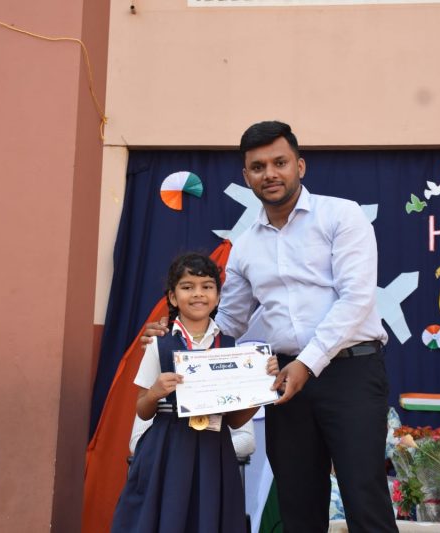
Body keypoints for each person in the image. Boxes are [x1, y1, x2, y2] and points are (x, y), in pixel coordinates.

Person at [143, 121, 397, 532]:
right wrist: (176, 335)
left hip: (350, 371)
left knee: (364, 499)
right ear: (247, 177)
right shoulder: (245, 245)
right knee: (297, 505)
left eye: (280, 162)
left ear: (300, 166)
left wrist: (307, 363)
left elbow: (356, 299)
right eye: (258, 167)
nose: (270, 174)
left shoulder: (341, 215)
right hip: (282, 381)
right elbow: (229, 320)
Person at [111, 253, 276, 533]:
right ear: (173, 297)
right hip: (168, 447)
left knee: (208, 517)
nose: (198, 294)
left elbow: (235, 420)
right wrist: (154, 393)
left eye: (207, 286)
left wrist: (261, 389)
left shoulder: (231, 348)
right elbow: (142, 409)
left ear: (218, 296)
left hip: (214, 449)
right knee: (167, 517)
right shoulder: (158, 344)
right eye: (187, 287)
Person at [129, 414, 256, 459]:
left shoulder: (225, 369)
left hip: (212, 471)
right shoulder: (163, 369)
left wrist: (202, 454)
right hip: (166, 472)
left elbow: (247, 441)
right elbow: (137, 442)